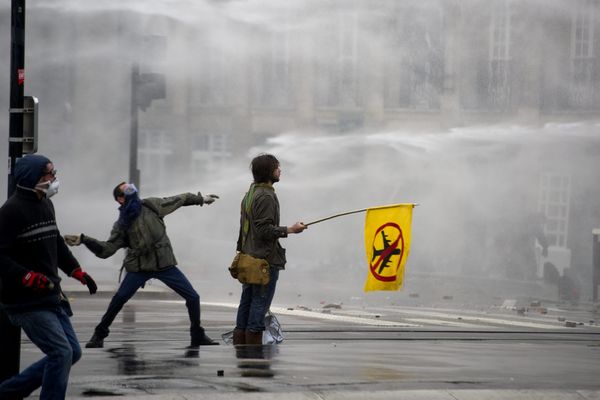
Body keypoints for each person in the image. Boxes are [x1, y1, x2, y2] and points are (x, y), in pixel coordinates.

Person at [64, 182, 219, 348]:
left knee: (193, 297)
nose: (131, 187)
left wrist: (201, 199)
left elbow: (181, 199)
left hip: (164, 265)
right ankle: (99, 334)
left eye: (130, 186)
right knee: (119, 299)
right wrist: (84, 239)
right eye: (126, 188)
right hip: (139, 268)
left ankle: (197, 335)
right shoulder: (122, 224)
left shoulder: (152, 205)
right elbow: (106, 250)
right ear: (120, 199)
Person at [0, 154, 97, 400]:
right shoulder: (11, 211)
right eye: (49, 175)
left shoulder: (45, 204)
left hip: (51, 296)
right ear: (33, 178)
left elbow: (55, 239)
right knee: (61, 353)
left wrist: (75, 270)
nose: (54, 179)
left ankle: (9, 392)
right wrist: (26, 276)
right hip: (25, 302)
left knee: (72, 352)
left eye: (54, 173)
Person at [233, 154, 306, 346]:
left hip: (249, 257)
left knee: (247, 302)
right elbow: (264, 230)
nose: (280, 170)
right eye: (277, 167)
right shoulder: (266, 196)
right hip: (263, 260)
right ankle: (253, 350)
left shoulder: (250, 194)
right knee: (259, 303)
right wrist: (291, 229)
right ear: (268, 171)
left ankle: (241, 344)